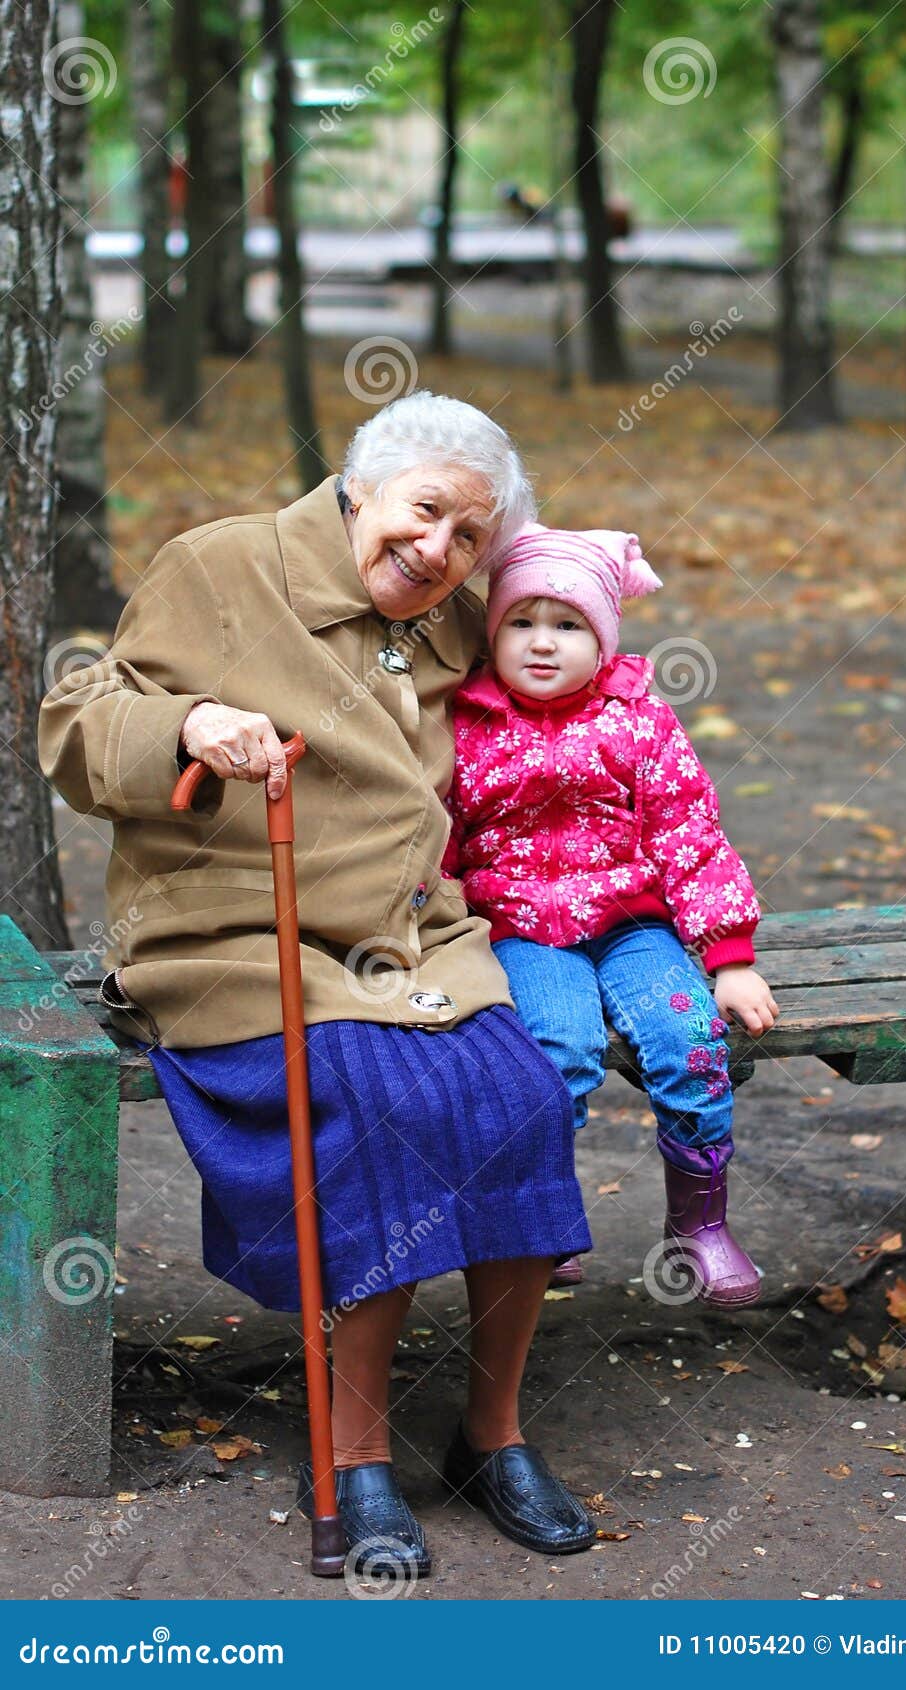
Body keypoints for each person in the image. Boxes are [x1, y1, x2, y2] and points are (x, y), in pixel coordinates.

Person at [37, 394, 597, 1579]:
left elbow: (570, 650)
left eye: (467, 537)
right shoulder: (221, 567)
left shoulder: (452, 610)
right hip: (240, 930)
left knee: (523, 1106)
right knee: (379, 1108)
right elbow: (74, 725)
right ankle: (352, 1455)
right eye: (423, 512)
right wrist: (189, 724)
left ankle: (491, 1434)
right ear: (359, 488)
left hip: (410, 938)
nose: (436, 551)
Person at [442, 521, 780, 1305]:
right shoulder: (464, 726)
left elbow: (686, 831)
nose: (541, 642)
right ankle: (544, 1224)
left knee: (689, 1039)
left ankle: (698, 1224)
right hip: (523, 932)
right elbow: (438, 839)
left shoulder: (638, 719)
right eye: (520, 622)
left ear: (604, 639)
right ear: (491, 633)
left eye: (568, 626)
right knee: (554, 1051)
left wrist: (728, 958)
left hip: (632, 927)